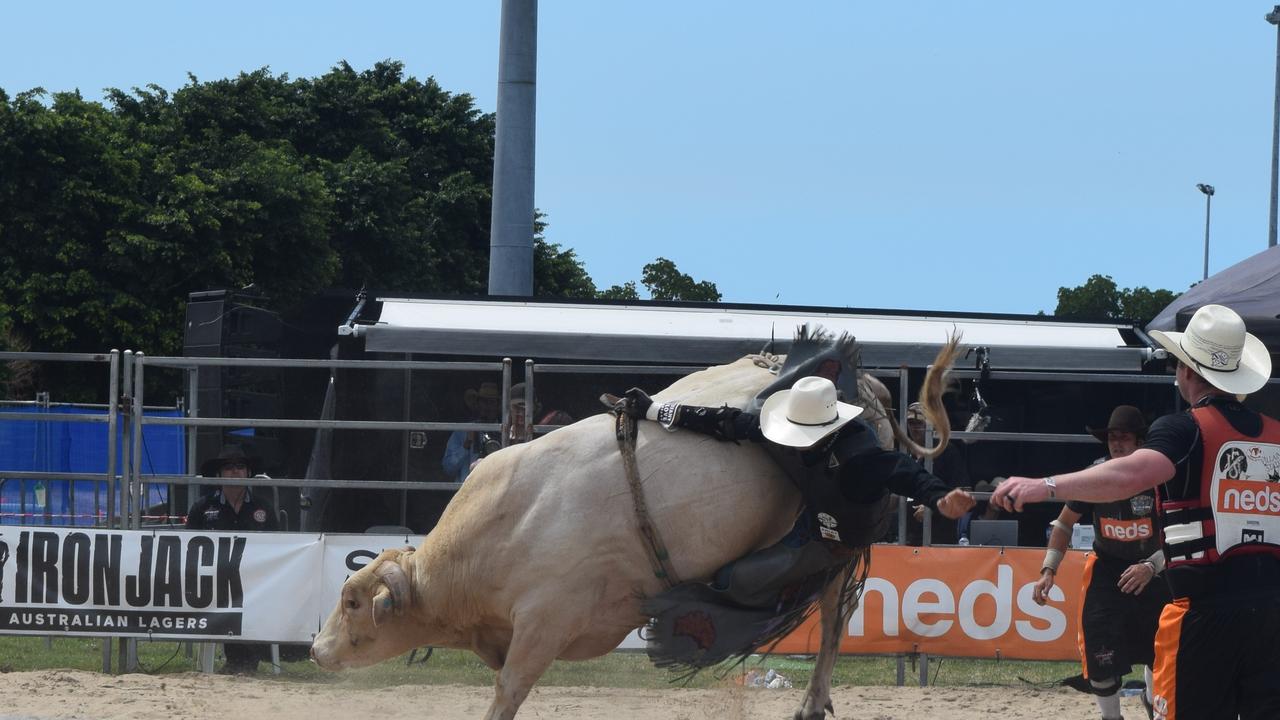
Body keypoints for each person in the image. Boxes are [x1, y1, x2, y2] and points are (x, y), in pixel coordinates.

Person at [992, 304, 1277, 720]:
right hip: (1272, 615)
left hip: (1206, 614)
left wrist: (1045, 486)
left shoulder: (1184, 429)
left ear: (1185, 370)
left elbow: (1132, 475)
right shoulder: (1275, 435)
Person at [623, 376, 976, 553]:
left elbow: (902, 469)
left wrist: (938, 497)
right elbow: (725, 420)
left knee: (748, 579)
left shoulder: (860, 459)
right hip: (816, 514)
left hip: (841, 532)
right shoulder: (781, 432)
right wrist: (655, 409)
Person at [1032, 405, 1169, 720]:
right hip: (1107, 573)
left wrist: (1152, 566)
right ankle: (1112, 717)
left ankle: (1152, 700)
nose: (1117, 444)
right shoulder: (1095, 477)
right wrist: (1048, 570)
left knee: (1159, 654)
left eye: (1124, 438)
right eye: (1112, 439)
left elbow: (1179, 534)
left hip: (1155, 573)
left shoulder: (1161, 478)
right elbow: (1064, 523)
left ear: (1140, 442)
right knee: (1099, 659)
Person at [185, 444, 277, 674]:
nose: (235, 471)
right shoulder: (203, 508)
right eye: (228, 467)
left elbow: (278, 545)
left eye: (240, 466)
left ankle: (245, 660)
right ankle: (239, 661)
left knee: (251, 596)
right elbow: (186, 545)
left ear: (248, 472)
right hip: (212, 580)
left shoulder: (263, 507)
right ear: (219, 474)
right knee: (226, 596)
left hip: (257, 579)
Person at [904, 401, 970, 545]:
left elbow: (962, 491)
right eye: (911, 423)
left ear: (931, 424)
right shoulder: (904, 453)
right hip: (907, 539)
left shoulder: (947, 452)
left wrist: (933, 507)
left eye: (919, 423)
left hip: (939, 540)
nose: (914, 428)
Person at [441, 381, 502, 483]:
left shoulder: (505, 431)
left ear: (498, 406)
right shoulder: (462, 432)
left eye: (491, 402)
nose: (487, 407)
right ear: (477, 404)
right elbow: (448, 469)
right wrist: (466, 445)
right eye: (483, 402)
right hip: (468, 493)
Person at [506, 382, 574, 444]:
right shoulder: (506, 431)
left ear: (537, 406)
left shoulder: (556, 420)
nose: (518, 411)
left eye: (523, 405)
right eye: (513, 407)